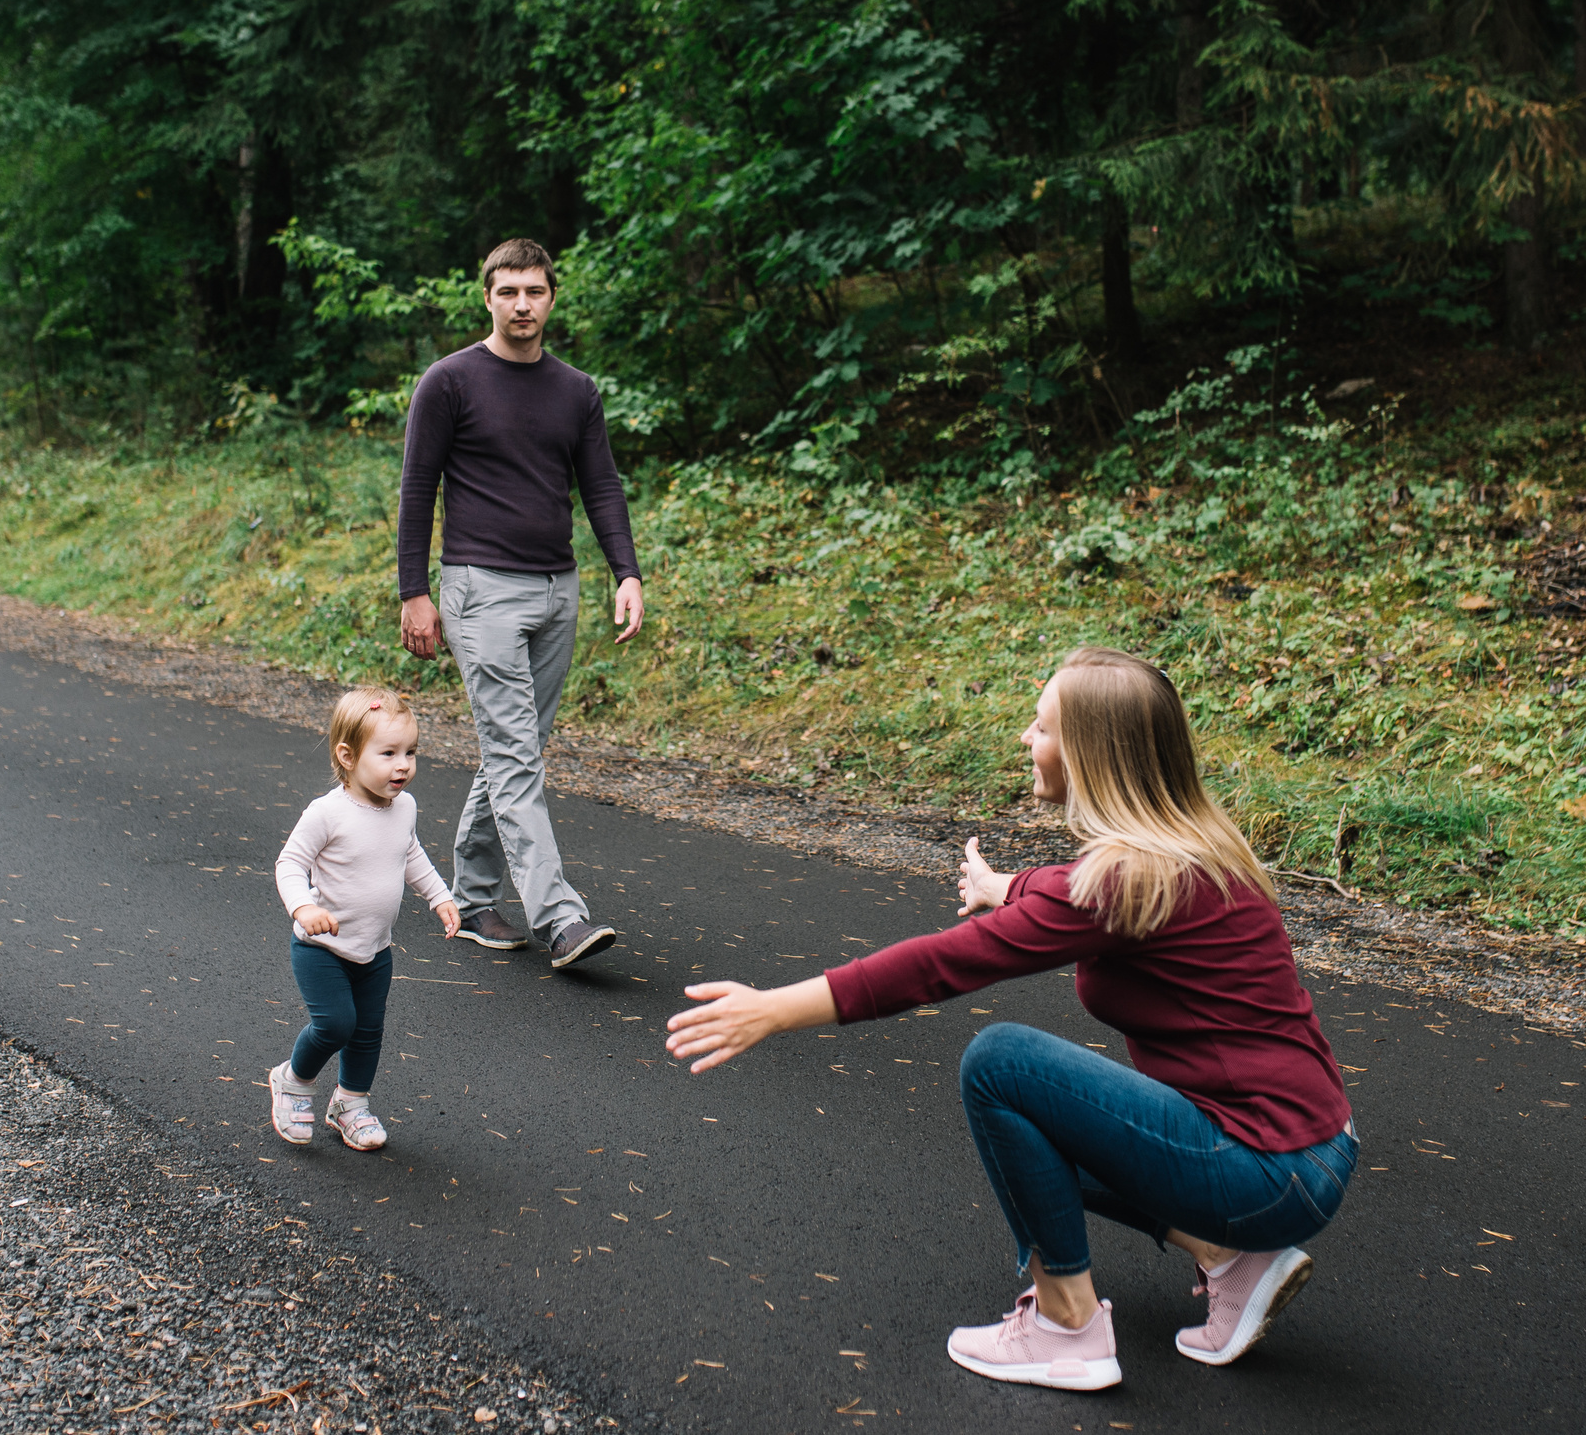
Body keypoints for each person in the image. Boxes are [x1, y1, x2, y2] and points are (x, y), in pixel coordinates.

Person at [663, 647, 1355, 1391]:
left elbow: (942, 963)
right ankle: (1233, 1261)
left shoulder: (1120, 880)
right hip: (1313, 1147)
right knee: (1051, 1126)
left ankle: (1068, 1325)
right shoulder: (1190, 846)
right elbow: (1068, 886)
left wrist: (773, 1009)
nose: (1027, 738)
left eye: (1042, 726)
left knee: (1003, 1066)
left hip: (1265, 1169)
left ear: (1094, 754)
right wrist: (1006, 885)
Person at [396, 237, 643, 970]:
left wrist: (624, 571)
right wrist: (415, 590)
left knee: (515, 754)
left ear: (552, 298)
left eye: (534, 291)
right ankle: (559, 917)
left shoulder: (576, 390)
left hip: (556, 588)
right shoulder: (449, 382)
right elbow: (417, 489)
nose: (522, 304)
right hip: (480, 589)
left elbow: (601, 486)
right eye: (508, 292)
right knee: (512, 752)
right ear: (488, 297)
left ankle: (471, 899)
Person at [267, 687, 459, 1151]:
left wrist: (439, 895)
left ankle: (350, 1105)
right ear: (348, 756)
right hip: (322, 948)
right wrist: (304, 907)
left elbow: (409, 852)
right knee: (335, 1025)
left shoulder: (404, 808)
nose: (403, 765)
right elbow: (289, 864)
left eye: (411, 752)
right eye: (389, 753)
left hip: (375, 949)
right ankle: (293, 1081)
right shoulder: (328, 813)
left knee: (368, 1031)